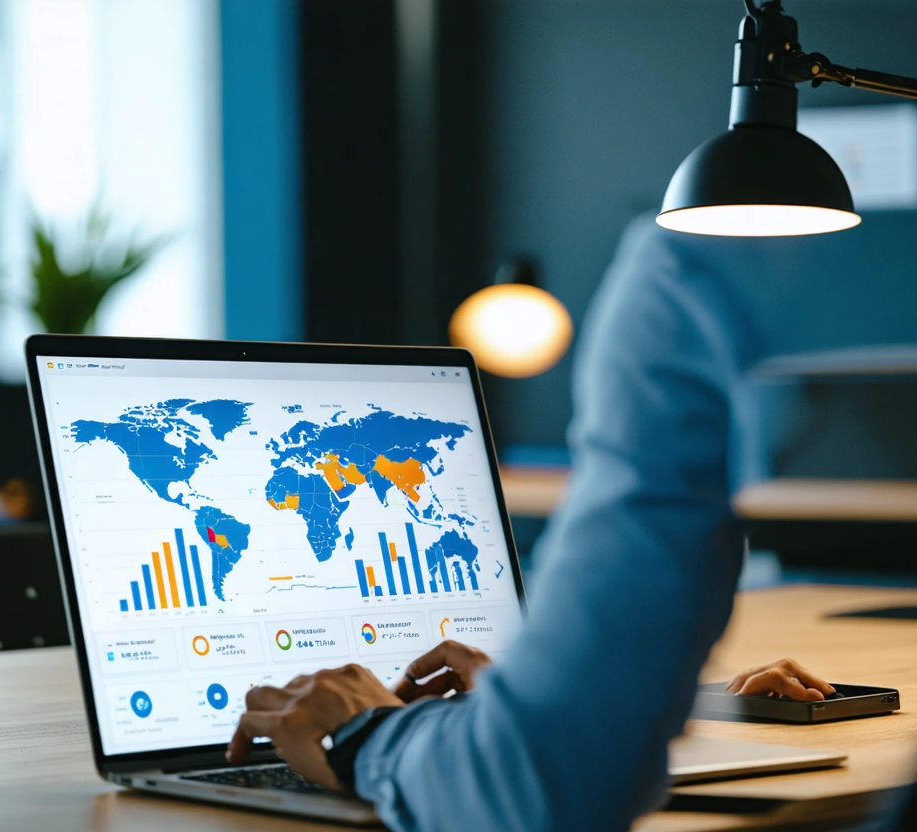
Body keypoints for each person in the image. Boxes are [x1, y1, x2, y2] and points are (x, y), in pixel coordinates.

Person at [227, 219, 832, 831]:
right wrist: (557, 689)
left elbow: (536, 787)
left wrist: (368, 730)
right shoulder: (910, 258)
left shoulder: (703, 264)